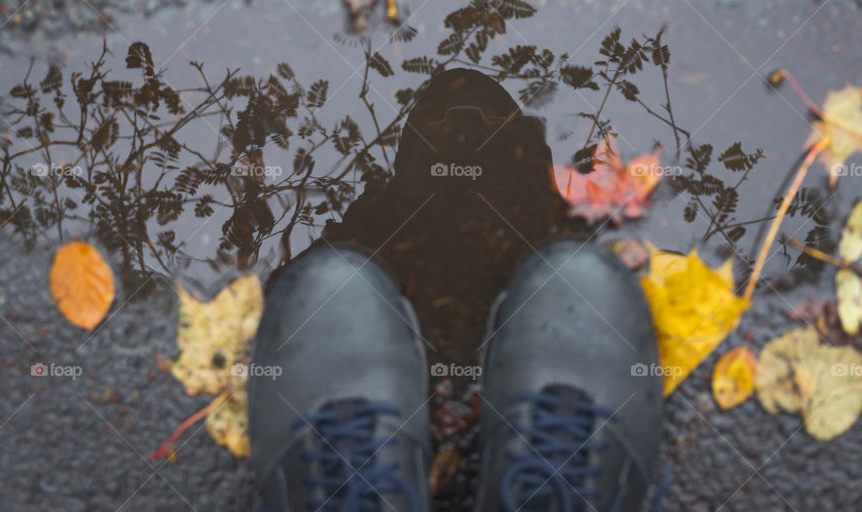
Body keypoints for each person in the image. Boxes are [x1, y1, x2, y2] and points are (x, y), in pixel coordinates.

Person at [248, 69, 665, 511]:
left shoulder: (376, 217)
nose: (464, 128)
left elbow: (296, 284)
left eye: (486, 129)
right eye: (444, 126)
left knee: (330, 282)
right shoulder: (387, 213)